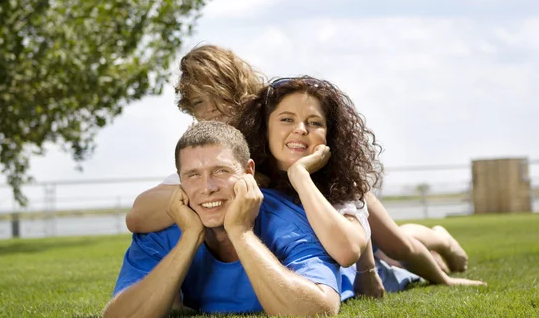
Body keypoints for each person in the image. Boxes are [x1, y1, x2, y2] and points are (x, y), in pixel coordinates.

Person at [126, 45, 485, 296]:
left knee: (393, 243)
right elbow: (165, 198)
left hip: (327, 183)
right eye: (198, 108)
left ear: (232, 86)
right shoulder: (214, 143)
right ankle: (431, 243)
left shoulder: (268, 111)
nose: (209, 114)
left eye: (213, 100)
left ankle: (440, 247)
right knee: (380, 248)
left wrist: (367, 271)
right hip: (303, 204)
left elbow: (350, 222)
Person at [104, 121, 344, 317]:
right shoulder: (162, 230)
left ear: (248, 172)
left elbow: (318, 312)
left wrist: (241, 232)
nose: (207, 188)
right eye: (192, 175)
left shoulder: (290, 222)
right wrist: (190, 237)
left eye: (221, 171)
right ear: (179, 180)